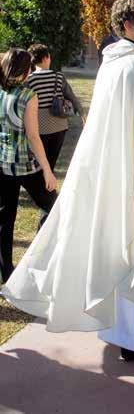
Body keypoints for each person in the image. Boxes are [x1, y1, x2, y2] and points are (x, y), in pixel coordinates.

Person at [2, 0, 134, 361]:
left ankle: (122, 329)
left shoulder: (115, 64)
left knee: (121, 252)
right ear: (128, 25)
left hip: (118, 177)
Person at [0, 49, 57, 283]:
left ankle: (6, 274)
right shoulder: (27, 95)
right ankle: (50, 260)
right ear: (26, 71)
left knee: (5, 220)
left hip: (3, 162)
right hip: (25, 164)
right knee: (56, 207)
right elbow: (33, 136)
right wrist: (48, 170)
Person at [27, 44, 85, 172]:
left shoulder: (29, 80)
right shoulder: (58, 77)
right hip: (59, 125)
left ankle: (43, 180)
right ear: (46, 58)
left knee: (40, 162)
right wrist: (82, 113)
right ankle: (49, 179)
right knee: (51, 161)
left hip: (38, 126)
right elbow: (71, 96)